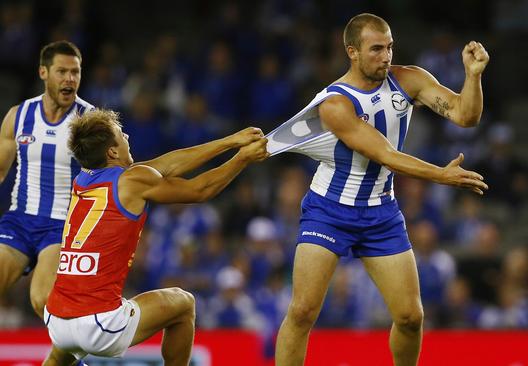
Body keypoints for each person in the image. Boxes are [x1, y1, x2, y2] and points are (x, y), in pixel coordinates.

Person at [275, 13, 489, 366]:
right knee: (302, 312)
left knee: (410, 317)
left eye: (389, 47)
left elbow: (465, 115)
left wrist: (473, 76)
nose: (386, 56)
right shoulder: (335, 103)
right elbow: (385, 154)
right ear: (352, 52)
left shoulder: (409, 80)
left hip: (381, 212)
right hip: (329, 210)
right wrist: (441, 175)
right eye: (376, 49)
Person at [42, 109, 268, 364]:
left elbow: (168, 164)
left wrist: (229, 141)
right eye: (121, 134)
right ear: (112, 152)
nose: (127, 135)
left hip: (57, 320)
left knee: (62, 354)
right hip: (100, 324)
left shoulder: (82, 179)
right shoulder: (133, 180)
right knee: (184, 304)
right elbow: (200, 190)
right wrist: (242, 159)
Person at [0, 40, 93, 320]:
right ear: (43, 73)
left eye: (75, 72)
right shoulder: (19, 116)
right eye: (62, 72)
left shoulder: (90, 122)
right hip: (19, 221)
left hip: (62, 228)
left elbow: (121, 173)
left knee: (44, 301)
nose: (70, 79)